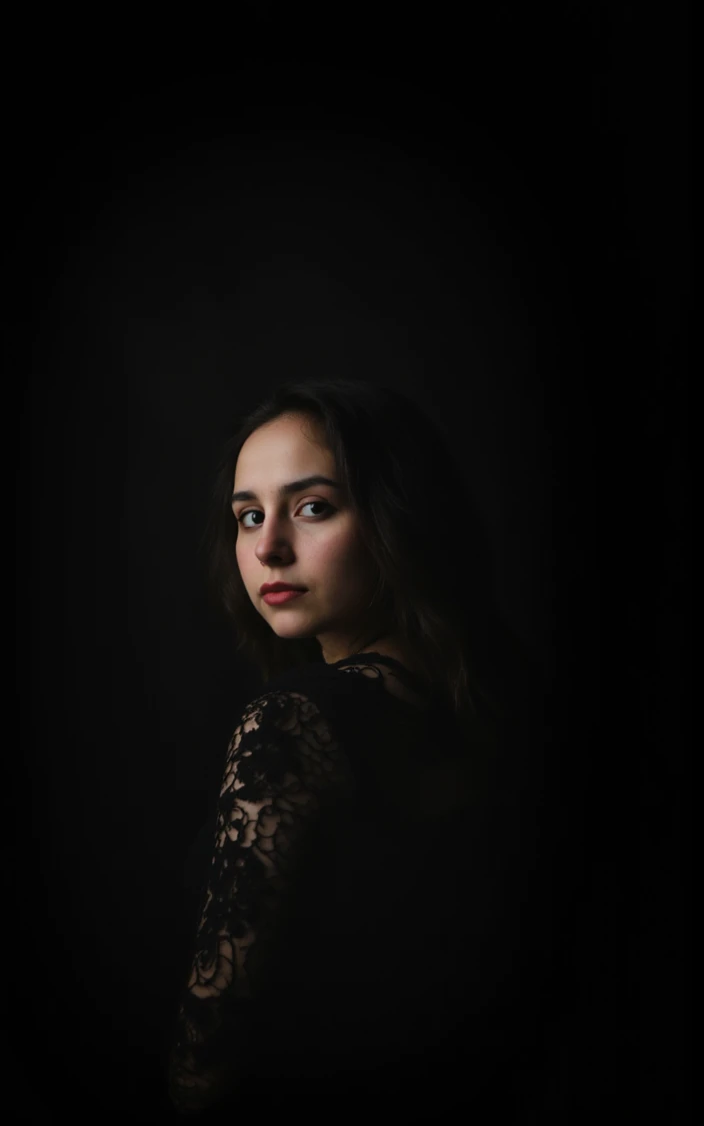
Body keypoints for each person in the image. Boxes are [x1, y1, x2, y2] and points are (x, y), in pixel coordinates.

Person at [165, 377, 558, 1120]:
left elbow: (206, 1060)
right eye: (248, 517)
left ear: (396, 516)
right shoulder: (501, 693)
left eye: (312, 507)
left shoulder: (292, 719)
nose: (269, 547)